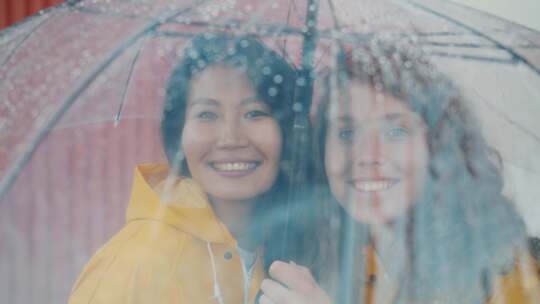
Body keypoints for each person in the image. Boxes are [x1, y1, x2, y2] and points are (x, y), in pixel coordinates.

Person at [259, 41, 540, 304]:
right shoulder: (316, 260)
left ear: (440, 145)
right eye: (346, 132)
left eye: (395, 130)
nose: (366, 154)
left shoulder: (506, 270)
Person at [69, 33, 298, 304]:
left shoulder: (287, 259)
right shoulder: (132, 265)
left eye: (254, 113)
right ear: (179, 134)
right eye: (207, 114)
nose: (231, 138)